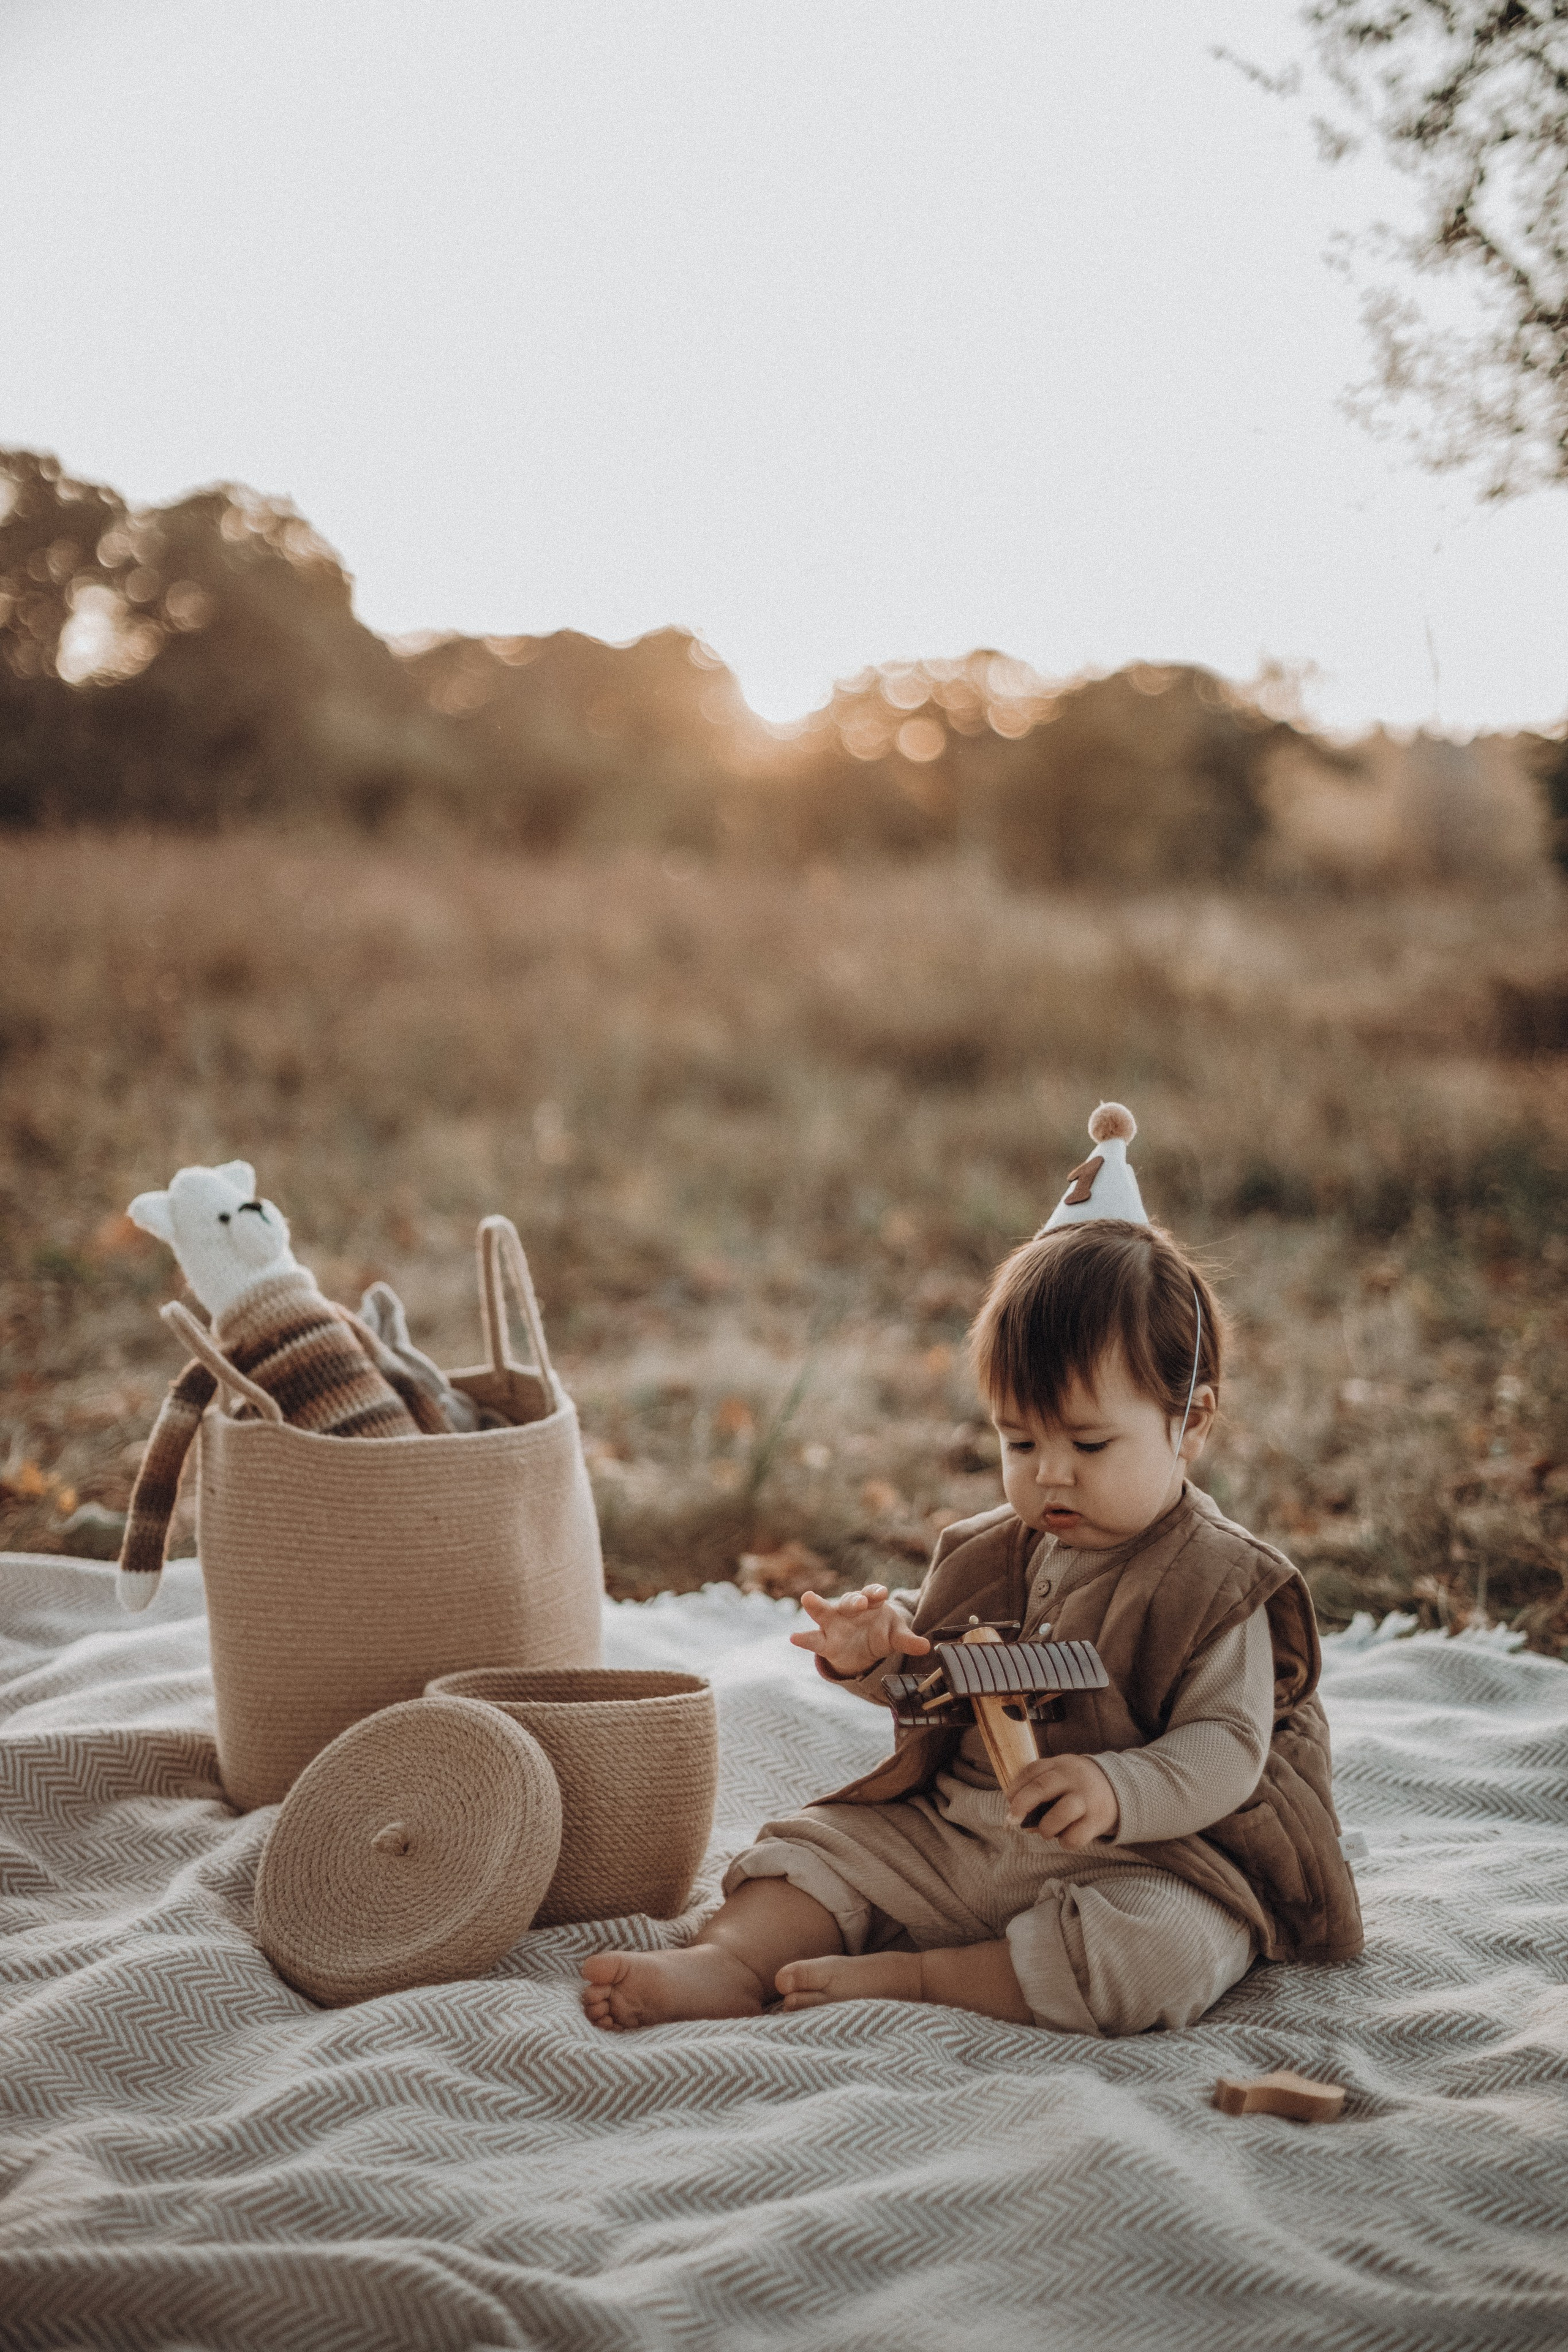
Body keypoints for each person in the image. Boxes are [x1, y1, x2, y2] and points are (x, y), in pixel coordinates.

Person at [582, 1104, 1362, 2037]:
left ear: (1189, 1422)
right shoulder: (994, 1550)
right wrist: (876, 1656)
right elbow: (940, 1680)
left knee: (1163, 1951)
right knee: (818, 1848)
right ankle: (729, 1963)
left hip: (1145, 1855)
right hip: (961, 1832)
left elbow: (1226, 1751)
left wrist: (1119, 1792)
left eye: (1089, 1441)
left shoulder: (1217, 1585)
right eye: (1019, 1439)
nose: (1051, 1472)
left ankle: (928, 1978)